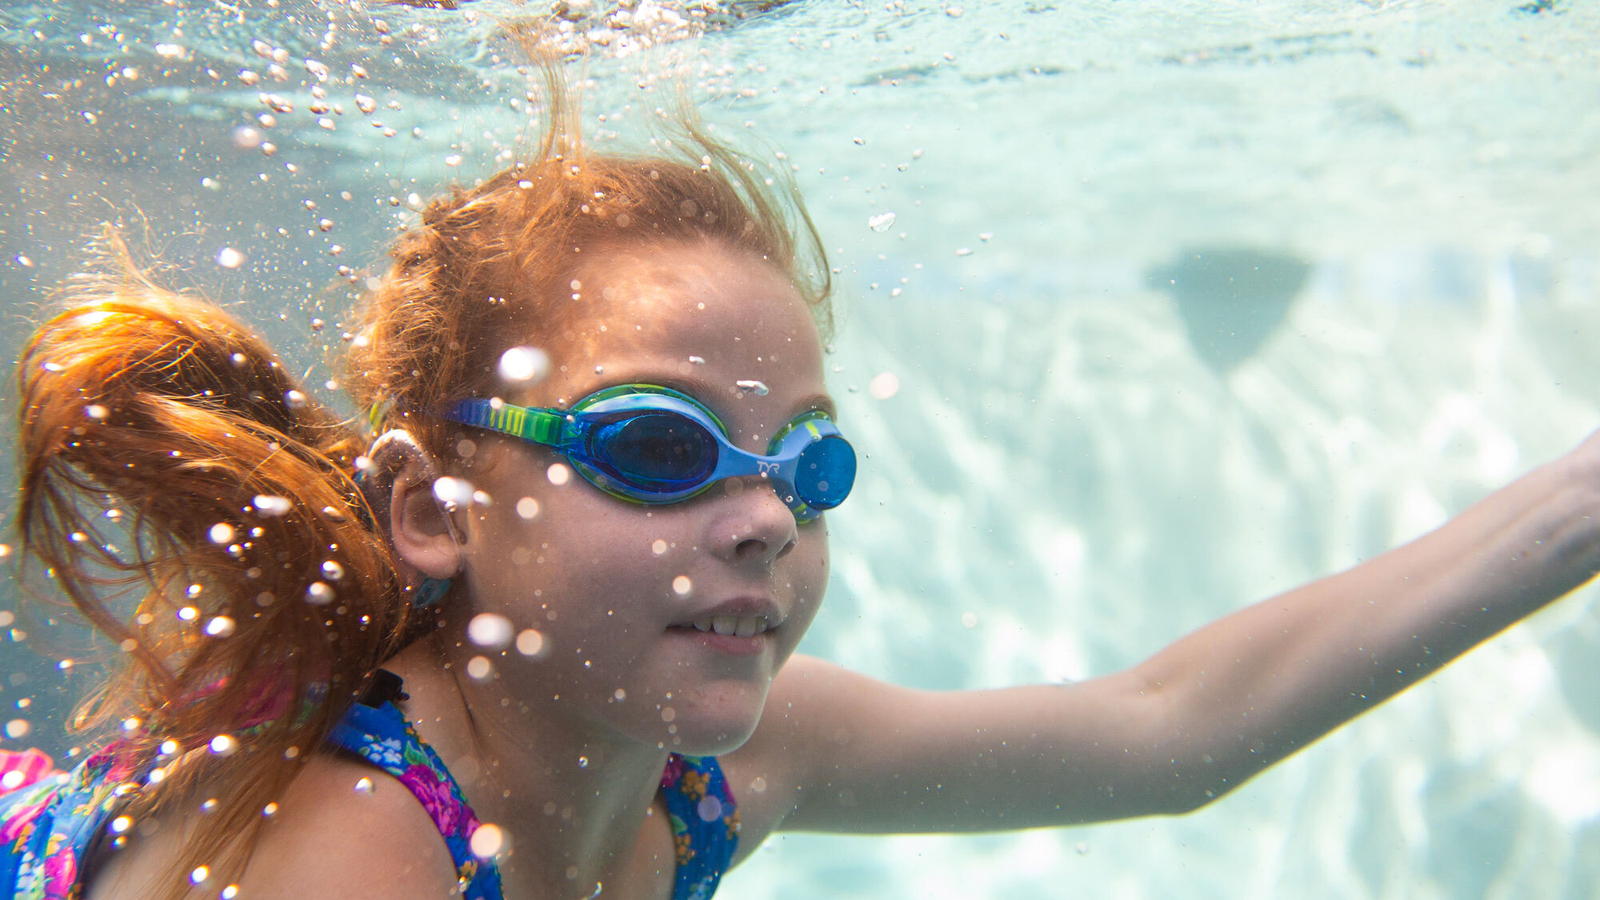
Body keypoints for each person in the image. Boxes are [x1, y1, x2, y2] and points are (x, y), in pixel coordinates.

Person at [0, 76, 1596, 900]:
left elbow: (1167, 728)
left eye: (807, 462)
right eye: (656, 449)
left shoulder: (716, 764)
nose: (767, 514)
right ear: (434, 509)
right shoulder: (364, 854)